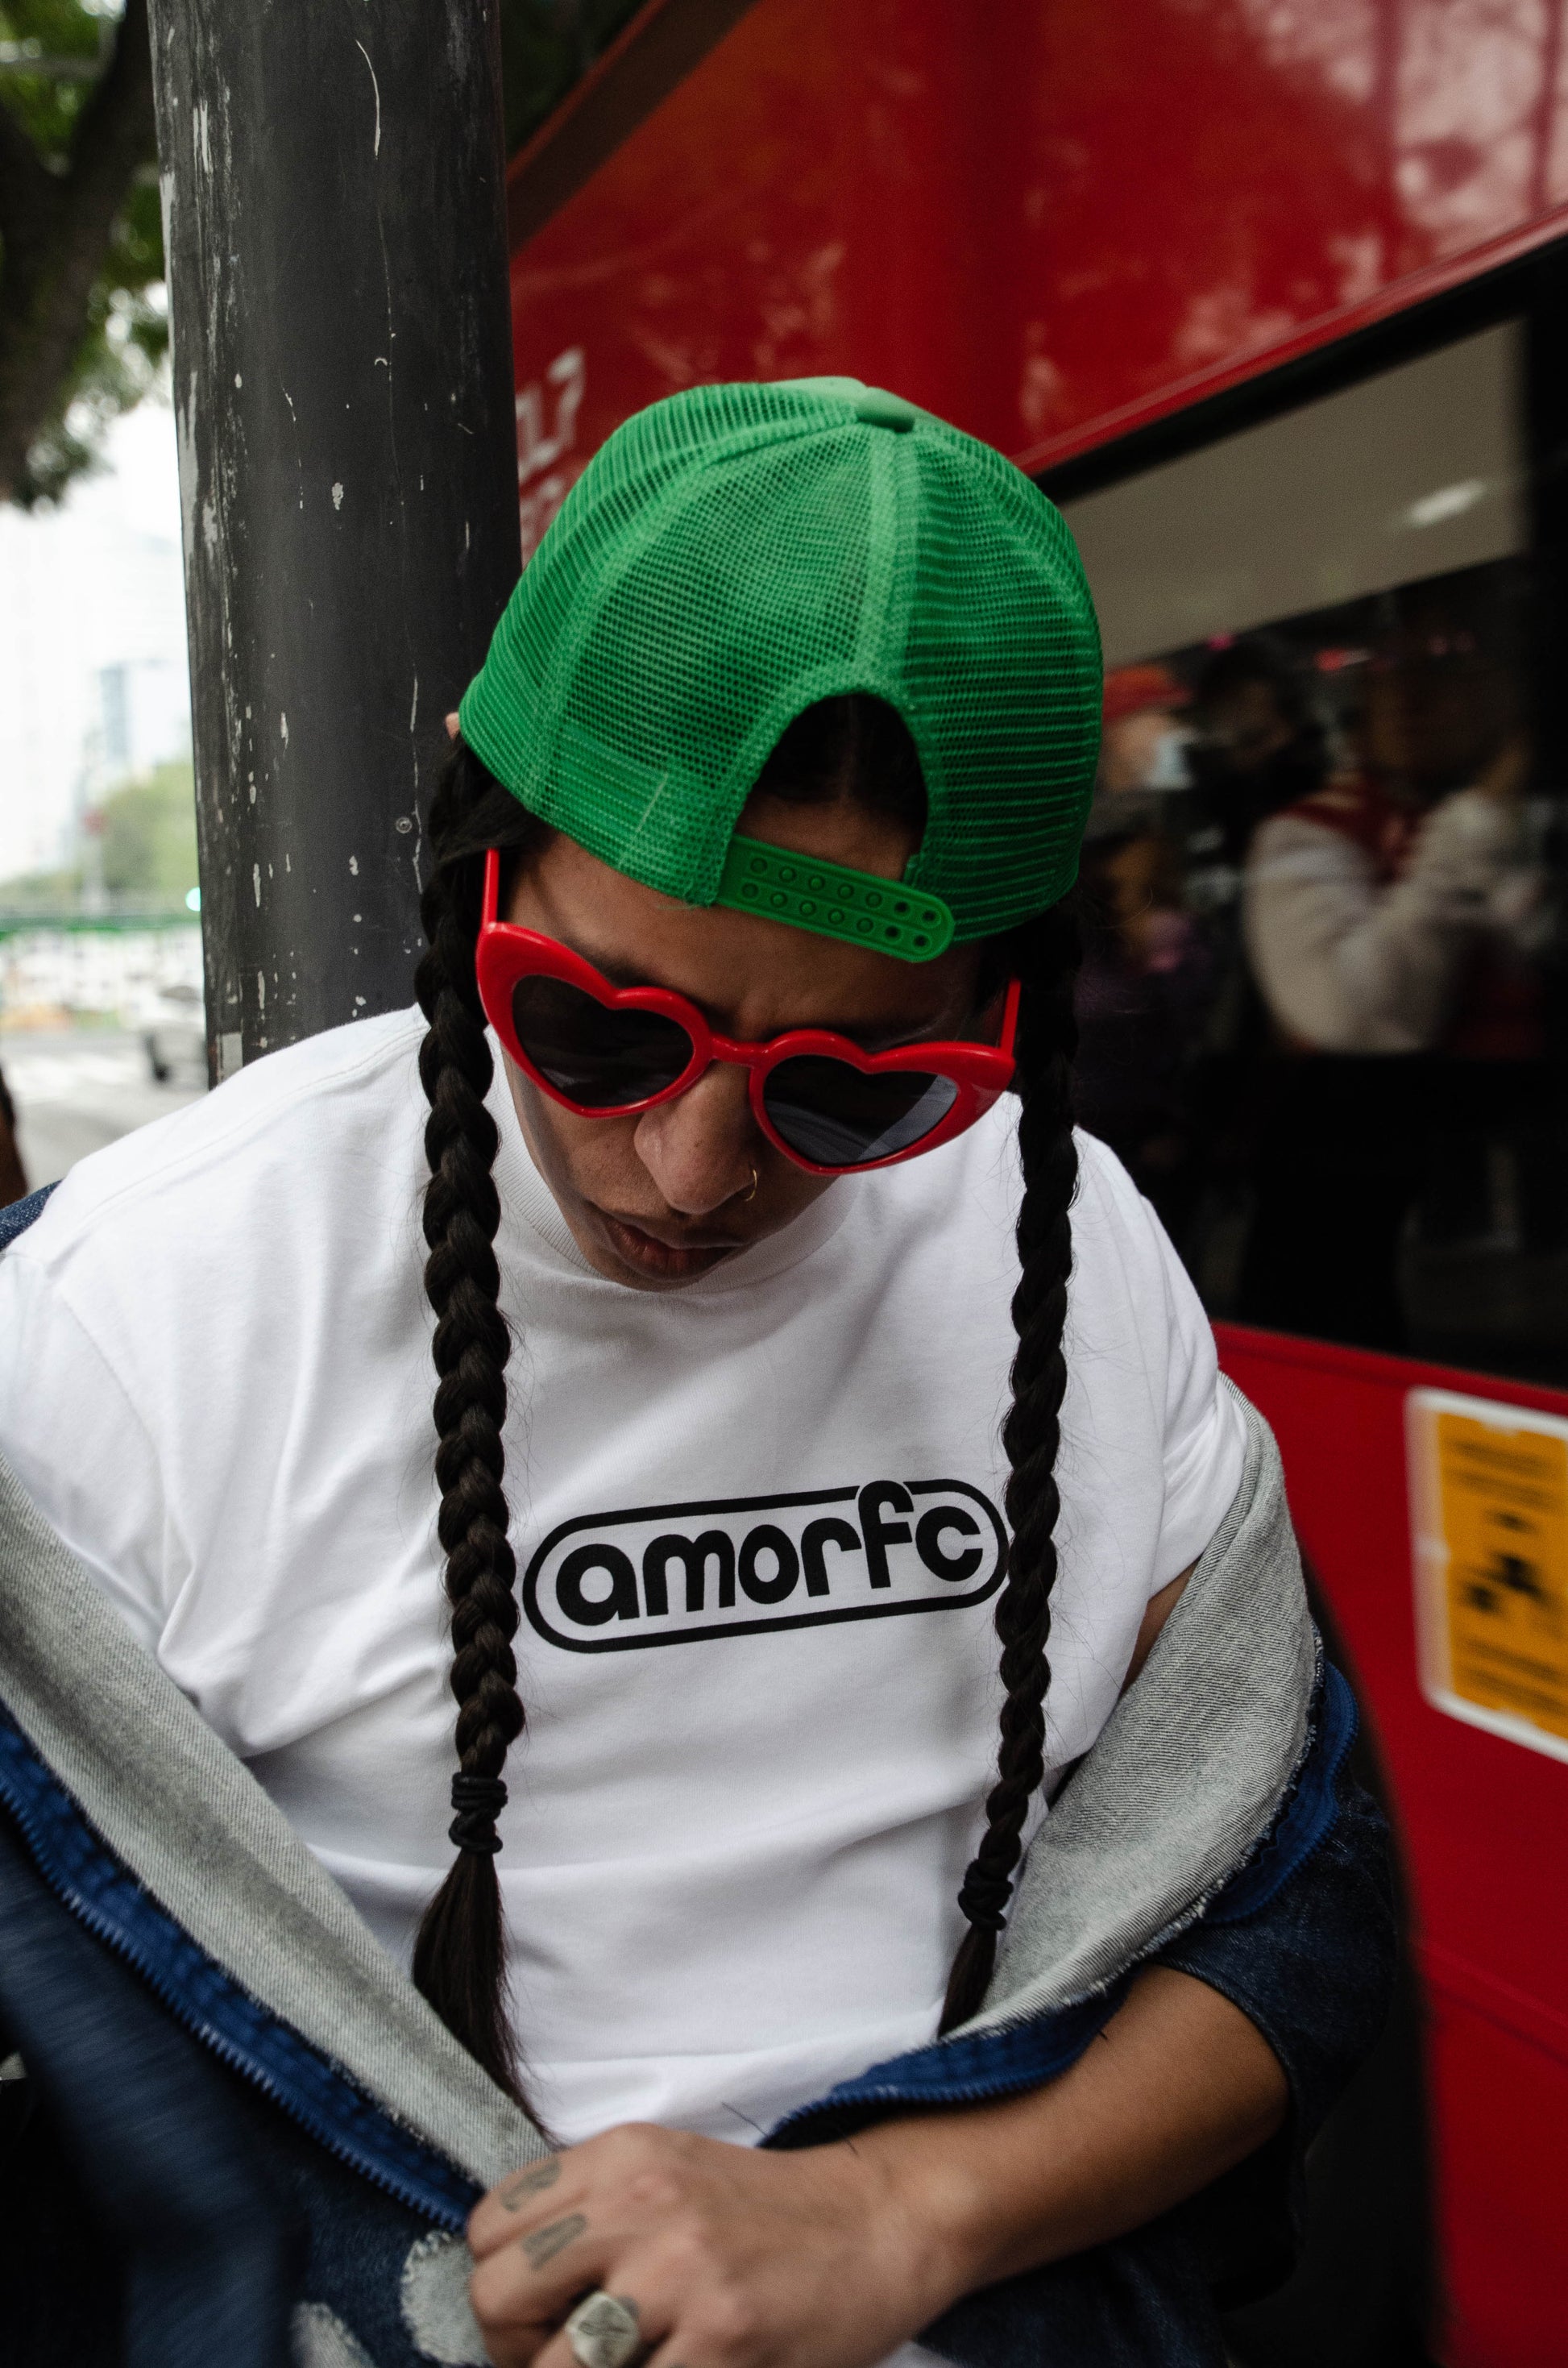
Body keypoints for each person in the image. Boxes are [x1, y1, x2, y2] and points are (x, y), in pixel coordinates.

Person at [0, 381, 1389, 2368]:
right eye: (599, 1026)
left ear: (999, 1003)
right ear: (476, 861)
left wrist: (895, 2210)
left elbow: (1288, 1901)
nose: (688, 1168)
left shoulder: (1079, 1251)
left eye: (853, 1085)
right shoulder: (135, 1310)